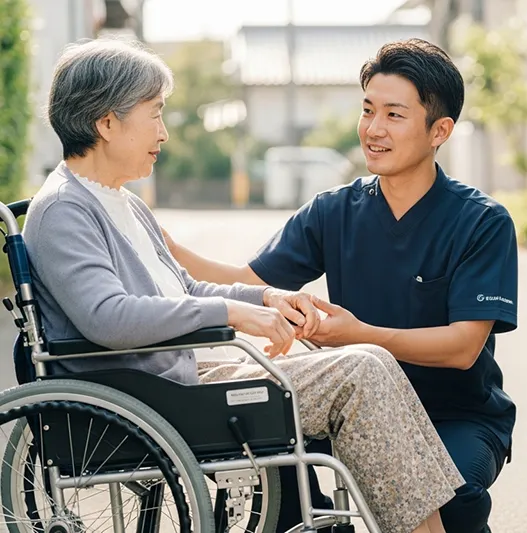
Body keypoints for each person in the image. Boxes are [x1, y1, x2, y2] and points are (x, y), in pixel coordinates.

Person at [22, 38, 465, 533]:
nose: (164, 133)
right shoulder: (66, 209)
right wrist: (231, 315)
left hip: (182, 380)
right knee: (359, 372)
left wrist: (266, 297)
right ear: (107, 123)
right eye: (155, 114)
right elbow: (107, 316)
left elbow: (185, 288)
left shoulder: (119, 201)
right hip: (161, 394)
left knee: (370, 361)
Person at [164, 38, 518, 533]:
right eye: (367, 110)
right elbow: (247, 281)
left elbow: (462, 348)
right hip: (347, 410)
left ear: (440, 130)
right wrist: (166, 247)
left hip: (454, 416)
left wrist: (359, 335)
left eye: (394, 115)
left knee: (452, 500)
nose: (373, 130)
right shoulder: (334, 211)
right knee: (277, 472)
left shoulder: (481, 222)